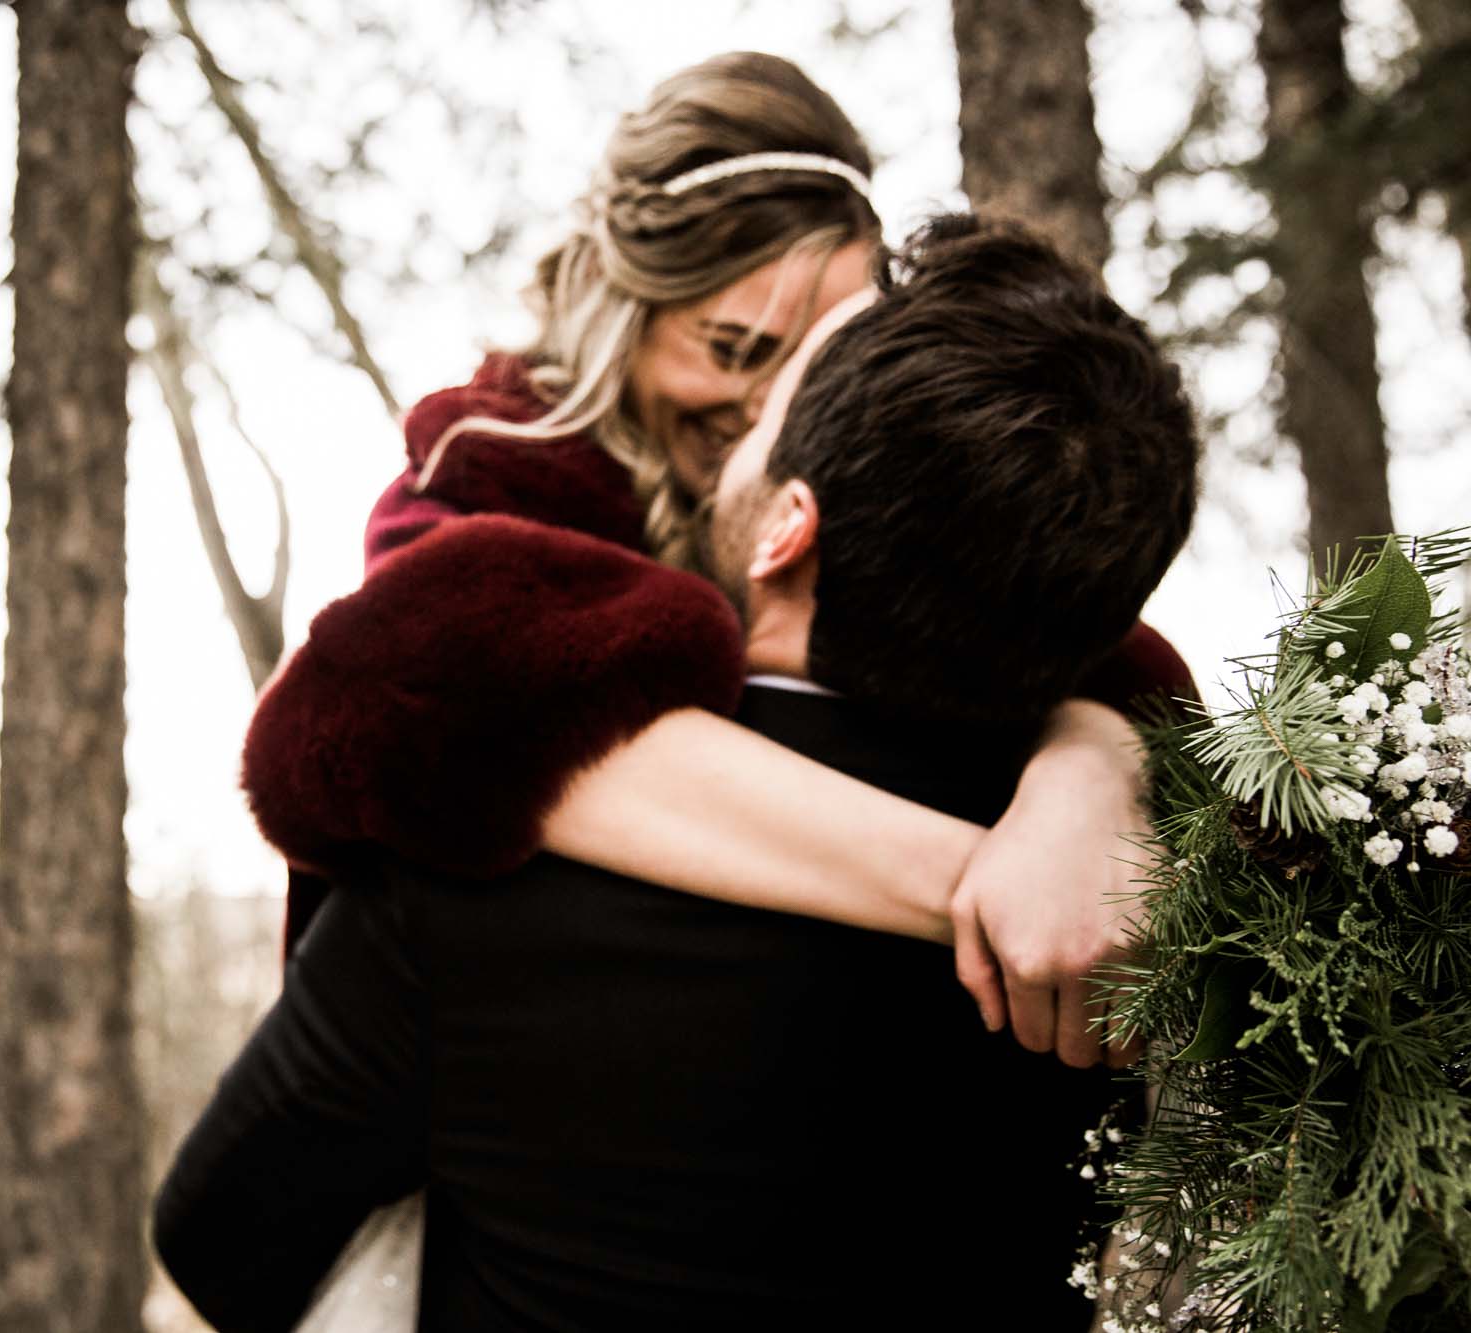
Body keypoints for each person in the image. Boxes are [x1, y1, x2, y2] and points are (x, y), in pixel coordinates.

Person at [155, 214, 1201, 1331]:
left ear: (785, 529)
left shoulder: (480, 835)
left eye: (774, 402)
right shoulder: (1141, 933)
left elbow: (218, 1237)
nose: (744, 418)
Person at [242, 52, 1193, 1068]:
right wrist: (985, 886)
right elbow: (446, 708)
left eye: (816, 356)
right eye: (734, 347)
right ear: (620, 303)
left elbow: (1106, 659)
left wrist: (1086, 778)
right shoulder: (482, 479)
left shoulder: (845, 484)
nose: (770, 404)